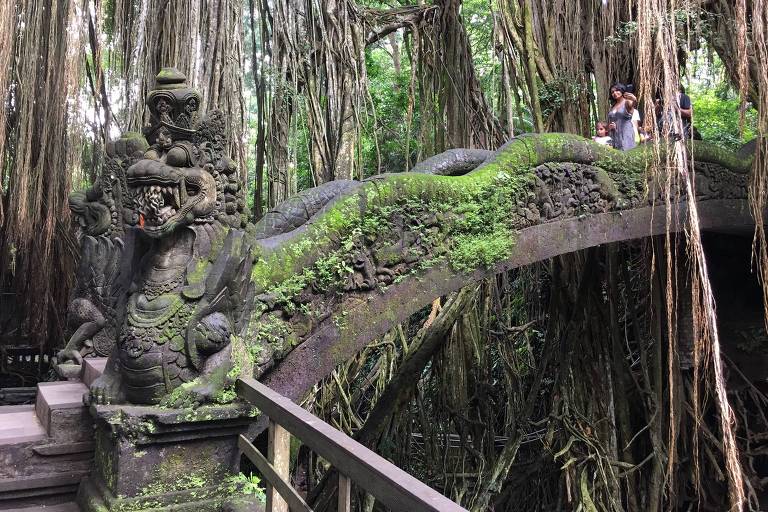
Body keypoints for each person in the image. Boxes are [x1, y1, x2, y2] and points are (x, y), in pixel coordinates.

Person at [607, 83, 638, 151]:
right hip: (615, 135)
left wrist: (634, 100)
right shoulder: (612, 106)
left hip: (625, 134)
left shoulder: (627, 102)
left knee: (627, 153)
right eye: (612, 92)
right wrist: (610, 127)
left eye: (617, 90)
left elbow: (632, 105)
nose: (615, 93)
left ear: (622, 90)